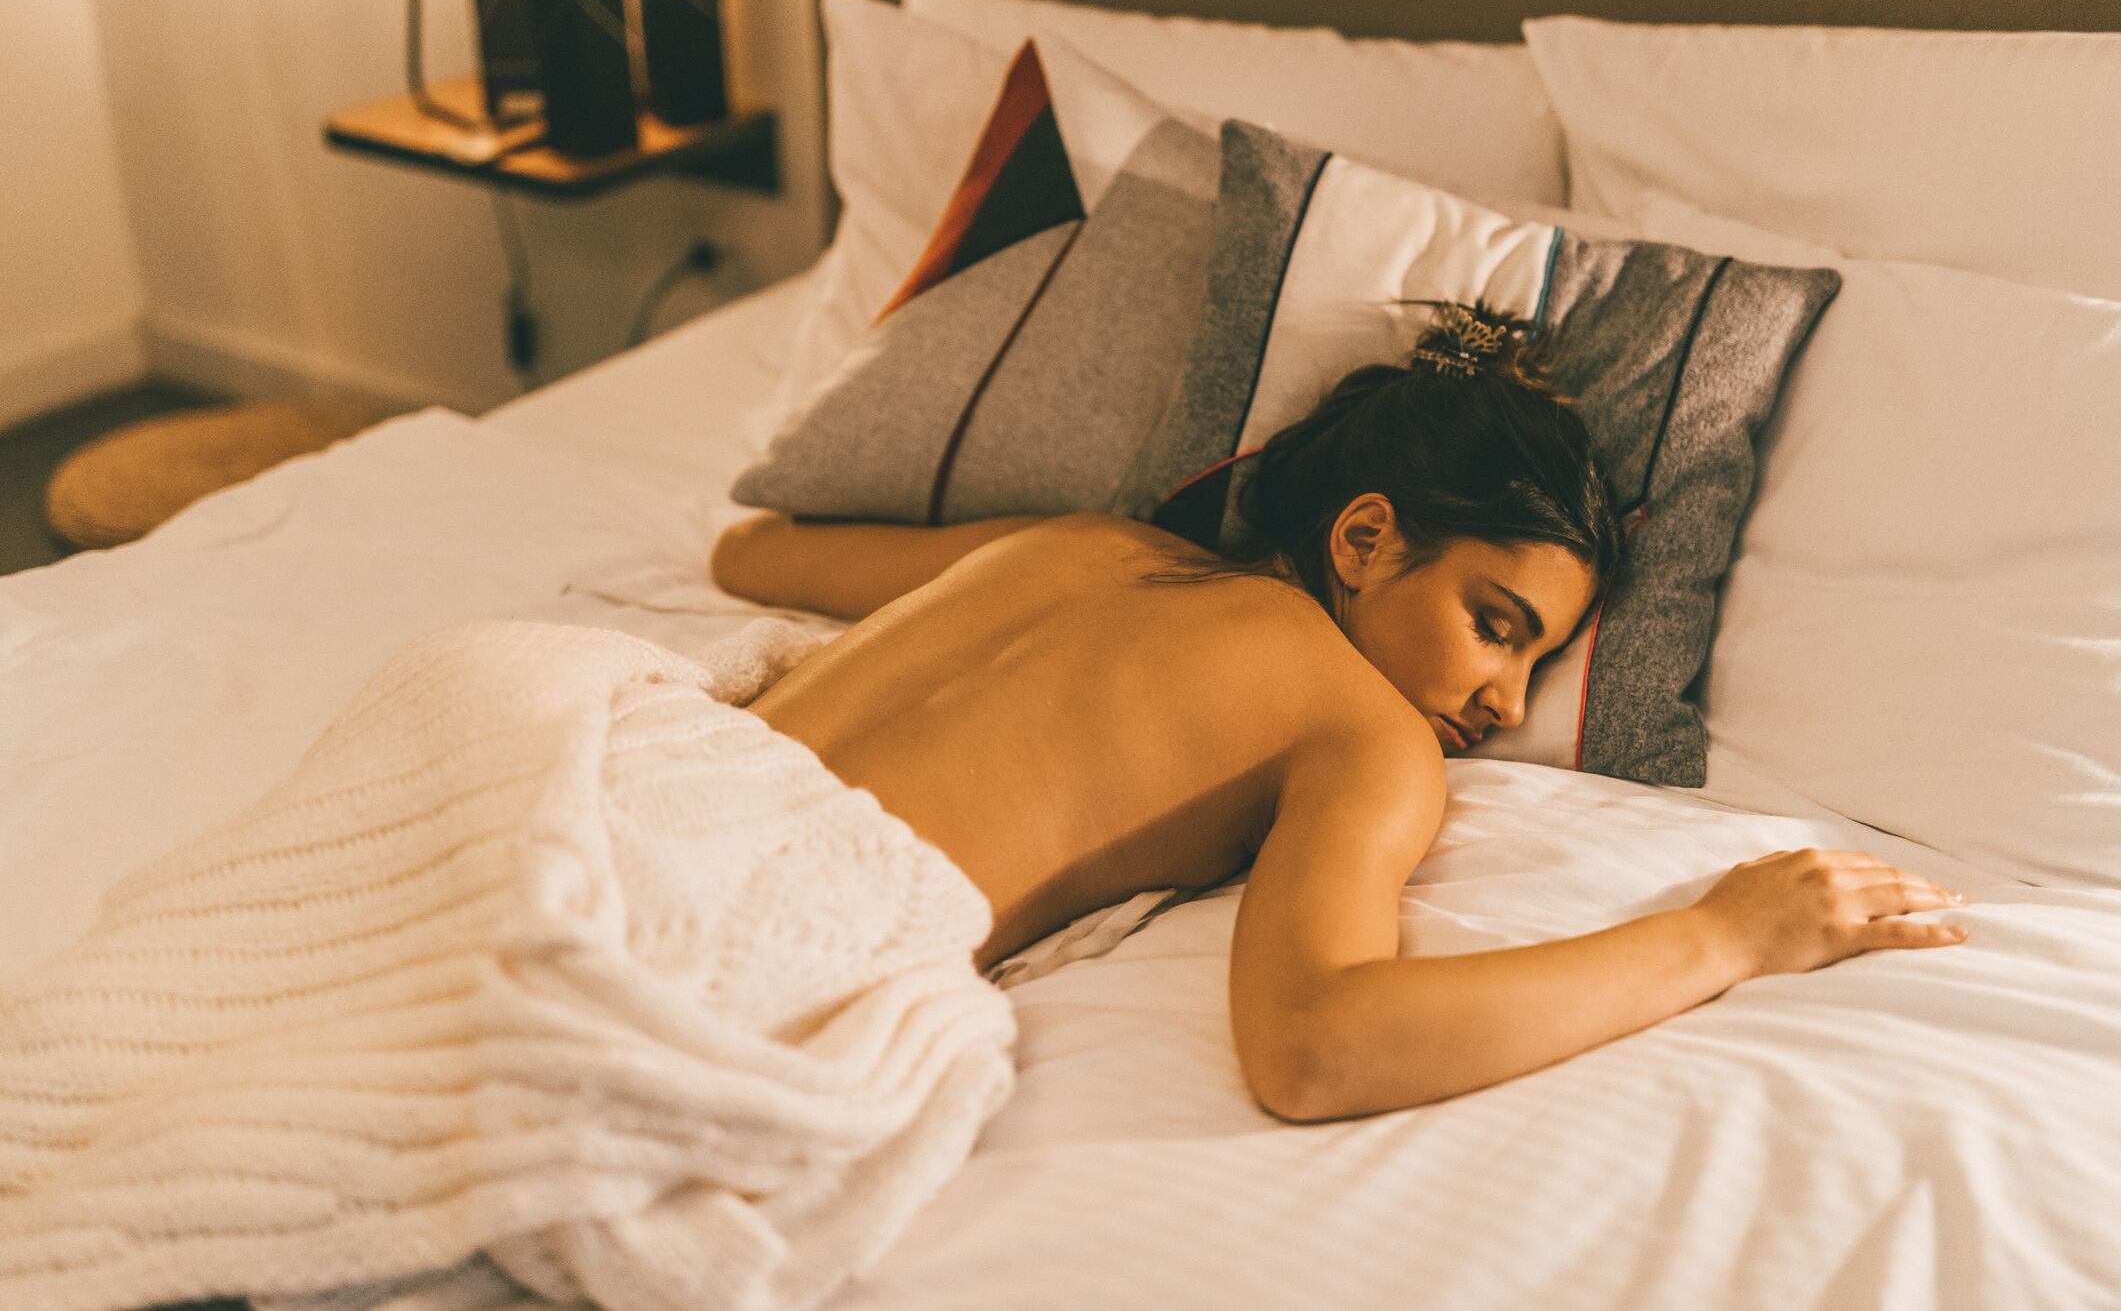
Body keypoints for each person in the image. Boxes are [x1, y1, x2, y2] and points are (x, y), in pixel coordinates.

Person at [712, 302, 1969, 1125]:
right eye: (1497, 625)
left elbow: (753, 556)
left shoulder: (1079, 541)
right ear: (1364, 537)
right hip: (735, 939)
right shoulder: (1358, 728)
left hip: (625, 786)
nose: (1504, 700)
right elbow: (1315, 1049)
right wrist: (1724, 937)